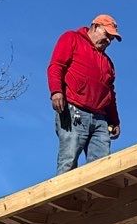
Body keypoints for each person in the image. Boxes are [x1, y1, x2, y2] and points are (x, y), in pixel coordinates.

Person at [48, 13, 121, 173]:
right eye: (107, 35)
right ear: (95, 27)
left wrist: (114, 120)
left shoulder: (108, 63)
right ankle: (64, 197)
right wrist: (56, 91)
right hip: (74, 110)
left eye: (111, 39)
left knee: (102, 166)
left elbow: (110, 93)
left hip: (100, 119)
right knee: (69, 158)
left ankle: (94, 198)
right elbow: (56, 66)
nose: (108, 40)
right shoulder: (72, 38)